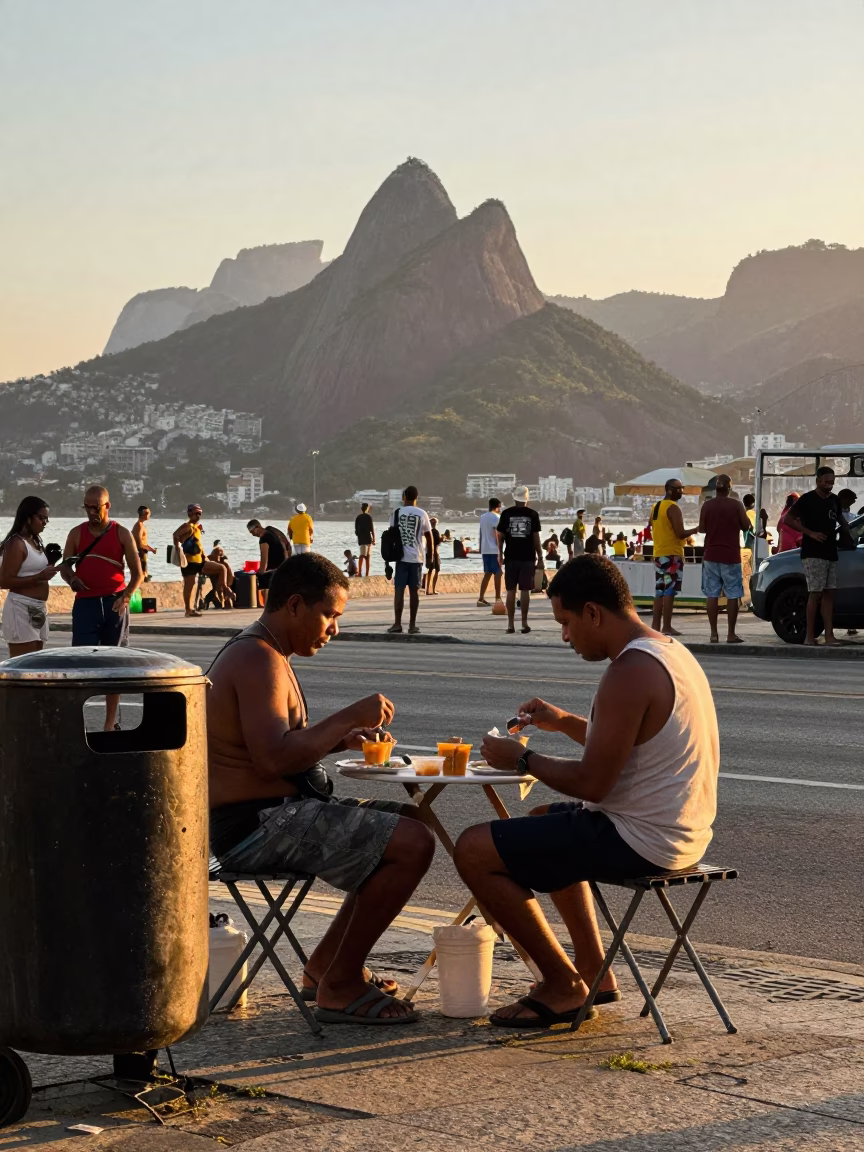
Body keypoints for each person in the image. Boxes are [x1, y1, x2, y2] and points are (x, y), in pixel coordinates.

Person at [453, 555, 719, 1028]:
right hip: (684, 831)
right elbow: (628, 744)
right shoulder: (667, 652)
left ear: (593, 612)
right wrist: (562, 722)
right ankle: (595, 971)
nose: (565, 637)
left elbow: (593, 782)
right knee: (541, 820)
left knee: (473, 849)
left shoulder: (628, 672)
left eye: (567, 622)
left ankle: (562, 985)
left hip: (644, 840)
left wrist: (521, 758)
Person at [207, 553, 435, 1024]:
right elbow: (274, 758)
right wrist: (349, 716)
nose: (334, 629)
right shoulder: (256, 657)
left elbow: (275, 751)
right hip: (255, 826)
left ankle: (325, 965)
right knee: (410, 845)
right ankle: (341, 984)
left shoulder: (268, 652)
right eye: (329, 615)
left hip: (275, 811)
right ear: (294, 605)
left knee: (411, 822)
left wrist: (339, 742)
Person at [59, 485, 143, 730]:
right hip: (86, 604)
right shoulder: (76, 534)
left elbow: (138, 573)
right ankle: (76, 723)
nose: (91, 511)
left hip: (114, 602)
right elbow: (65, 567)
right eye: (87, 506)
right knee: (80, 663)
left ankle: (109, 724)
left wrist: (126, 597)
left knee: (114, 663)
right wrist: (72, 579)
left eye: (96, 506)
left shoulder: (122, 533)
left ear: (108, 506)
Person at [785, 467, 853, 646]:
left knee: (830, 592)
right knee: (815, 593)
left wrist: (847, 531)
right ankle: (809, 636)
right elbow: (788, 519)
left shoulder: (834, 500)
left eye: (832, 481)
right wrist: (810, 533)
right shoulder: (807, 499)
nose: (829, 485)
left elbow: (841, 520)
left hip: (831, 551)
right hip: (813, 553)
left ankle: (829, 635)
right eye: (826, 481)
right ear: (818, 480)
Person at [0, 496, 58, 657]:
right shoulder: (16, 543)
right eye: (41, 518)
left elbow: (32, 571)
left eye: (47, 518)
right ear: (28, 517)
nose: (45, 522)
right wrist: (39, 577)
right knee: (23, 664)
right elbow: (4, 581)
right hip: (20, 608)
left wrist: (52, 564)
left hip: (39, 608)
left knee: (35, 665)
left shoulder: (35, 541)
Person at [696, 474, 751, 644]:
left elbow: (702, 529)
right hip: (730, 555)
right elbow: (746, 525)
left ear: (715, 488)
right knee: (732, 594)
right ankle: (731, 634)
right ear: (729, 488)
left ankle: (713, 634)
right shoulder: (736, 505)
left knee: (712, 595)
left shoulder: (707, 505)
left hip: (711, 555)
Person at [650, 478, 698, 637]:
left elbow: (655, 527)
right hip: (672, 554)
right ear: (669, 490)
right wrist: (697, 529)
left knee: (660, 590)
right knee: (669, 590)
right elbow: (680, 533)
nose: (682, 491)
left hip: (658, 553)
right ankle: (667, 627)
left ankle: (655, 626)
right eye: (679, 489)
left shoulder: (656, 507)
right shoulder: (673, 508)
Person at [496, 486, 544, 635]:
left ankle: (510, 624)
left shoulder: (506, 514)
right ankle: (524, 623)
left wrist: (500, 555)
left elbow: (500, 537)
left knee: (511, 590)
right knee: (525, 590)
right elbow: (536, 539)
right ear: (527, 498)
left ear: (514, 497)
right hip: (528, 557)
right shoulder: (533, 514)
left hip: (511, 556)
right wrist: (541, 557)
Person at [386, 486, 433, 635]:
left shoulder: (396, 514)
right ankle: (412, 626)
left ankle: (397, 624)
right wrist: (430, 557)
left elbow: (389, 538)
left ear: (403, 497)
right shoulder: (422, 513)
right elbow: (429, 537)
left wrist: (387, 560)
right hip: (417, 559)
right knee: (414, 592)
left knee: (399, 591)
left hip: (401, 559)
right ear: (416, 497)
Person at [174, 504, 231, 616]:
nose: (198, 515)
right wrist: (178, 550)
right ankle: (188, 610)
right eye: (196, 513)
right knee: (189, 585)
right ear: (190, 514)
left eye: (200, 513)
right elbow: (175, 535)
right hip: (189, 561)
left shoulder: (198, 527)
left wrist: (204, 555)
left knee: (221, 568)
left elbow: (199, 544)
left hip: (200, 561)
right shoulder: (187, 526)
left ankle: (225, 590)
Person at [247, 519, 289, 590]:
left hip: (274, 570)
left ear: (258, 527)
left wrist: (259, 574)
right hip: (284, 565)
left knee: (260, 578)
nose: (253, 535)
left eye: (252, 532)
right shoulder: (271, 530)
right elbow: (285, 544)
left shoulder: (263, 539)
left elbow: (264, 560)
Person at [477, 497, 503, 606]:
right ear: (497, 506)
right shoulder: (497, 517)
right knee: (498, 573)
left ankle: (481, 598)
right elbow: (497, 535)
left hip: (485, 549)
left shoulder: (482, 517)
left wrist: (480, 547)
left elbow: (481, 533)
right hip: (494, 550)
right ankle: (498, 598)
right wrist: (500, 550)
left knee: (487, 574)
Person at [131, 506, 156, 582]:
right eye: (148, 513)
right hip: (140, 551)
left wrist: (150, 548)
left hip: (143, 550)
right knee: (142, 570)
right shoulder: (139, 525)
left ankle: (145, 578)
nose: (149, 515)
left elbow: (142, 542)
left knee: (144, 569)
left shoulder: (141, 525)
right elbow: (139, 543)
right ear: (144, 514)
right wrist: (151, 549)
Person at [354, 503, 375, 578]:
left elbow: (356, 530)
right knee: (367, 556)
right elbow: (372, 529)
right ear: (367, 508)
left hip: (361, 538)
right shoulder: (368, 517)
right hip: (368, 538)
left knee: (362, 555)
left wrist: (359, 535)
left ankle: (359, 572)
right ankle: (366, 573)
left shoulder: (358, 517)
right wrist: (374, 538)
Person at [424, 516, 441, 595]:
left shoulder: (427, 532)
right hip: (435, 552)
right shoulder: (436, 532)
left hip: (428, 552)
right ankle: (433, 589)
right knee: (436, 570)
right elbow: (437, 543)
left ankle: (427, 590)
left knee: (430, 571)